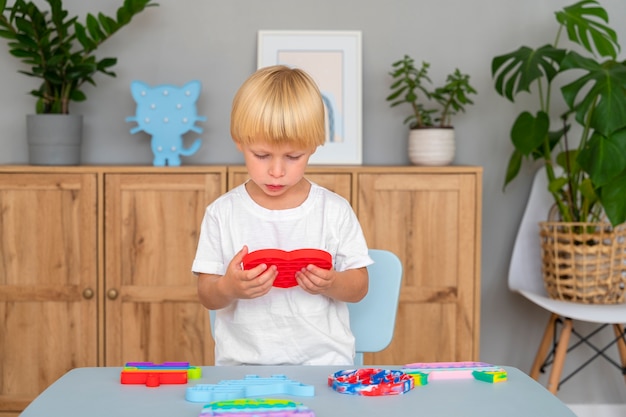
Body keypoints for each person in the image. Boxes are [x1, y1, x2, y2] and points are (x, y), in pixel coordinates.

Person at [192, 65, 372, 366]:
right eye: (261, 155)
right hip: (244, 368)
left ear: (313, 146)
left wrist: (332, 283)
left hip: (324, 366)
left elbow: (360, 287)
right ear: (239, 140)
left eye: (293, 157)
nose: (276, 171)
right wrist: (228, 288)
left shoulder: (334, 210)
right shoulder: (222, 213)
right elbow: (207, 295)